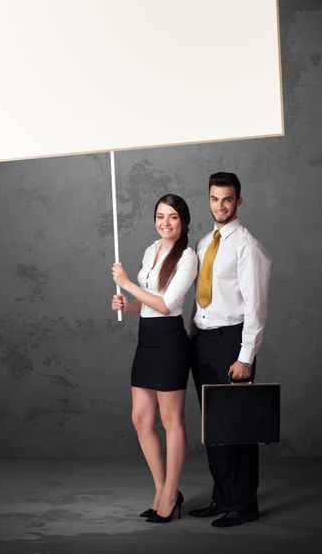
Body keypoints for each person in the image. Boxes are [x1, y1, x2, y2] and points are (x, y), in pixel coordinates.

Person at [189, 172, 271, 527]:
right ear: (208, 199)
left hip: (232, 342)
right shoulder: (204, 243)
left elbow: (256, 306)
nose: (220, 205)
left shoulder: (247, 246)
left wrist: (245, 356)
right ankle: (221, 498)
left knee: (238, 428)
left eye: (227, 199)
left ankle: (244, 505)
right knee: (214, 429)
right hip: (203, 341)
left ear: (239, 201)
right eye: (214, 198)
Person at [111, 194, 197, 523]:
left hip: (171, 343)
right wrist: (126, 305)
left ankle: (171, 493)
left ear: (183, 221)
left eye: (173, 217)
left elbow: (166, 305)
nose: (165, 222)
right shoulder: (151, 249)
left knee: (171, 421)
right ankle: (162, 489)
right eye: (161, 216)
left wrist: (127, 283)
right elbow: (148, 306)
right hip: (146, 340)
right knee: (141, 420)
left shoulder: (187, 257)